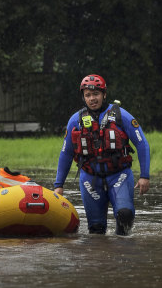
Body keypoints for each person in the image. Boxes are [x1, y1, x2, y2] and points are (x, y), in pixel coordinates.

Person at [54, 74, 151, 235]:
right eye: (88, 95)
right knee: (96, 230)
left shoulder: (121, 115)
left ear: (104, 94)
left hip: (119, 175)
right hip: (90, 179)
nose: (92, 98)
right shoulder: (75, 121)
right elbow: (66, 153)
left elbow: (142, 144)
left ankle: (123, 254)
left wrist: (144, 176)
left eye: (96, 94)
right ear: (84, 98)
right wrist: (58, 186)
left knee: (125, 216)